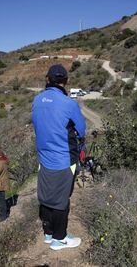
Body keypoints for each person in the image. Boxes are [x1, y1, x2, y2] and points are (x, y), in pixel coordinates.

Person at [32, 64, 86, 250]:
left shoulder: (37, 100)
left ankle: (48, 234)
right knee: (62, 200)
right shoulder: (69, 103)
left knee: (46, 197)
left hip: (43, 158)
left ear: (47, 79)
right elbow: (81, 129)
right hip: (64, 159)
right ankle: (59, 238)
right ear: (65, 81)